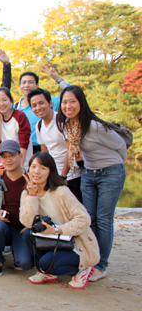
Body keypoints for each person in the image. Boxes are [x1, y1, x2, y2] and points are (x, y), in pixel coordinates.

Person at [56, 85, 127, 282]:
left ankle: (101, 265)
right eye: (64, 102)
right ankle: (90, 258)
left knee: (104, 219)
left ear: (81, 103)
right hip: (87, 172)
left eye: (73, 101)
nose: (68, 106)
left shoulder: (94, 126)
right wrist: (63, 176)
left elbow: (121, 146)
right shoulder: (68, 126)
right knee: (89, 218)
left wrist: (113, 165)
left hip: (110, 173)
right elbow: (71, 153)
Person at [21, 152, 100, 289]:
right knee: (28, 234)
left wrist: (58, 230)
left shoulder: (61, 192)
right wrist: (32, 195)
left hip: (74, 243)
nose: (36, 172)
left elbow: (84, 219)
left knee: (46, 264)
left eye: (43, 168)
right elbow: (27, 222)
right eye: (33, 167)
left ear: (50, 171)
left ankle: (83, 268)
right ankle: (48, 273)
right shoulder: (27, 193)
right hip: (51, 239)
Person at [0, 140, 34, 276]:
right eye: (4, 156)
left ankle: (19, 253)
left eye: (12, 155)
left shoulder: (30, 177)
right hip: (4, 225)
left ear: (20, 155)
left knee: (25, 264)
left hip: (23, 228)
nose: (8, 160)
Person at [28, 88, 82, 202]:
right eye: (34, 105)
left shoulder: (63, 121)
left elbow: (70, 150)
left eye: (41, 103)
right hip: (54, 178)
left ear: (50, 103)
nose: (38, 108)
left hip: (72, 176)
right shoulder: (39, 125)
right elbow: (44, 155)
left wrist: (63, 176)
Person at [11, 65, 70, 153]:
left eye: (30, 82)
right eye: (24, 82)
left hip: (50, 148)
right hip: (25, 150)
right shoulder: (14, 108)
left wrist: (58, 79)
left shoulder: (49, 101)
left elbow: (73, 94)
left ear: (37, 85)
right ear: (20, 86)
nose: (27, 85)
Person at [0, 87, 32, 166]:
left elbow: (24, 143)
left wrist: (20, 166)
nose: (1, 104)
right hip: (7, 165)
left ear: (11, 101)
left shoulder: (20, 115)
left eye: (4, 100)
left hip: (23, 163)